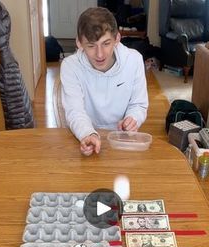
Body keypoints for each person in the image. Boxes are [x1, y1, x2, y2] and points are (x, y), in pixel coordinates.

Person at [60, 7, 148, 156]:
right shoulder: (70, 66)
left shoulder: (134, 60)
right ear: (79, 43)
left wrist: (132, 119)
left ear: (117, 39)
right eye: (91, 46)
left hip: (122, 139)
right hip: (85, 135)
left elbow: (138, 104)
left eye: (106, 43)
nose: (99, 54)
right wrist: (88, 134)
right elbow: (75, 111)